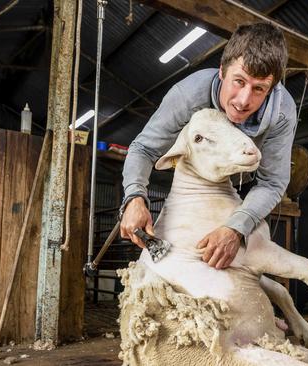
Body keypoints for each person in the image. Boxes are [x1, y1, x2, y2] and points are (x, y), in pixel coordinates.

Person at [119, 22, 297, 270]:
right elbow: (144, 149)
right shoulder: (188, 95)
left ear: (272, 88)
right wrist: (135, 196)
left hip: (238, 185)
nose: (243, 101)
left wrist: (236, 228)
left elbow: (273, 182)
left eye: (259, 89)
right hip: (193, 180)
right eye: (238, 81)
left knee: (244, 256)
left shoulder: (282, 113)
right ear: (222, 71)